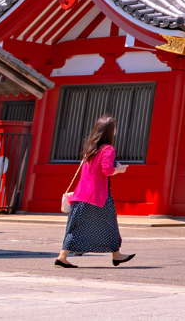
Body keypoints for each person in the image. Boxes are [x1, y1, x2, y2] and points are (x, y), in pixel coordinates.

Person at [56, 114, 134, 268]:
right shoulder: (108, 149)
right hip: (98, 196)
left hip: (82, 195)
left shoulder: (90, 149)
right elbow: (107, 170)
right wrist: (120, 169)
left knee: (77, 226)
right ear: (109, 131)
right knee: (109, 225)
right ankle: (115, 255)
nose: (115, 131)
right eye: (114, 128)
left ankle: (63, 257)